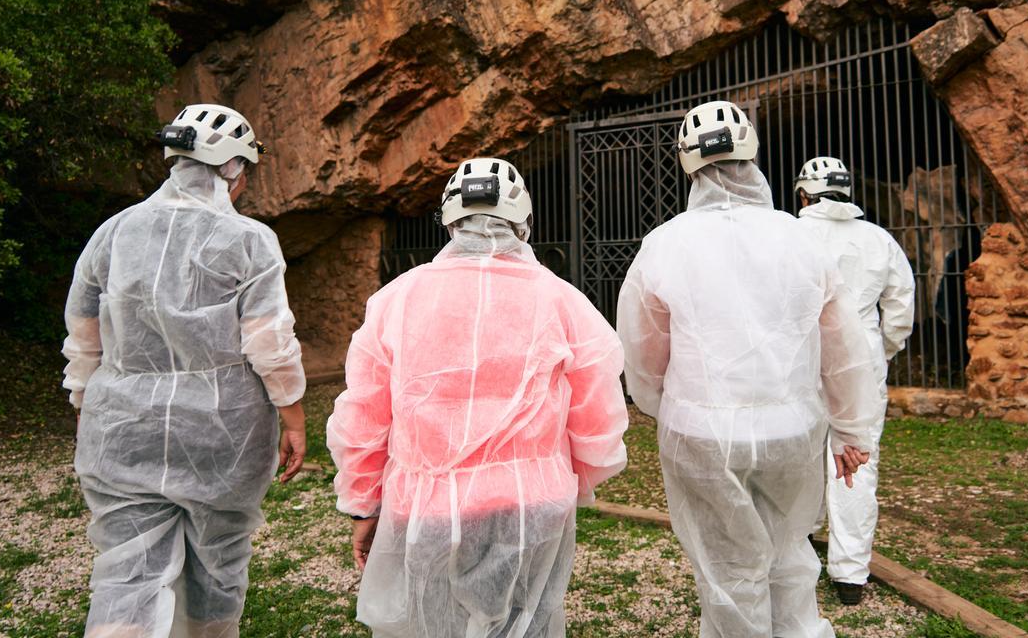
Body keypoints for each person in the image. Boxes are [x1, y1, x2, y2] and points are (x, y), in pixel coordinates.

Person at [328, 157, 629, 638]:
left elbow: (364, 412)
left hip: (427, 505)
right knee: (524, 624)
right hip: (531, 502)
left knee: (434, 625)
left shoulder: (397, 299)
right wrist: (580, 477)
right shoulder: (559, 297)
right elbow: (598, 409)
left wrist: (365, 505)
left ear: (449, 220)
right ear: (523, 222)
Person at [617, 101, 881, 638]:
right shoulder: (801, 237)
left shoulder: (664, 244)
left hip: (700, 431)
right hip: (792, 428)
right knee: (790, 556)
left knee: (726, 568)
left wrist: (659, 403)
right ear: (753, 156)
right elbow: (844, 346)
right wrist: (851, 430)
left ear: (688, 167)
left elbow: (642, 350)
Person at [62, 103, 308, 638]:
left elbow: (82, 328)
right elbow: (269, 342)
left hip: (122, 425)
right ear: (232, 168)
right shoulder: (250, 240)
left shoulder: (113, 232)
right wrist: (293, 418)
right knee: (217, 561)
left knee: (126, 569)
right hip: (224, 430)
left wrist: (84, 400)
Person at [794, 156, 915, 605]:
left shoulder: (791, 235)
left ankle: (798, 543)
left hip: (802, 357)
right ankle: (850, 574)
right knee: (856, 461)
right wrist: (880, 349)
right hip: (861, 357)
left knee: (801, 453)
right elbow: (901, 307)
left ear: (804, 194)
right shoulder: (879, 240)